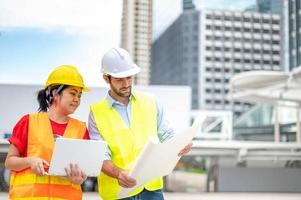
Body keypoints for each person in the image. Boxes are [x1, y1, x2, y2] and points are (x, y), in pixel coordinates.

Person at [89, 48, 192, 200]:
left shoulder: (151, 101)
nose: (126, 84)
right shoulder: (96, 112)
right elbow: (101, 156)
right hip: (118, 192)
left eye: (129, 78)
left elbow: (166, 134)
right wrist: (118, 173)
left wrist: (179, 143)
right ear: (106, 78)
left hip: (151, 190)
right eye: (119, 79)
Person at [5, 65, 90, 200]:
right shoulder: (29, 121)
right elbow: (9, 162)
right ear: (55, 93)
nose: (77, 99)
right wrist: (30, 161)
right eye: (73, 93)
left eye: (80, 95)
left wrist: (79, 179)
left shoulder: (81, 129)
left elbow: (82, 174)